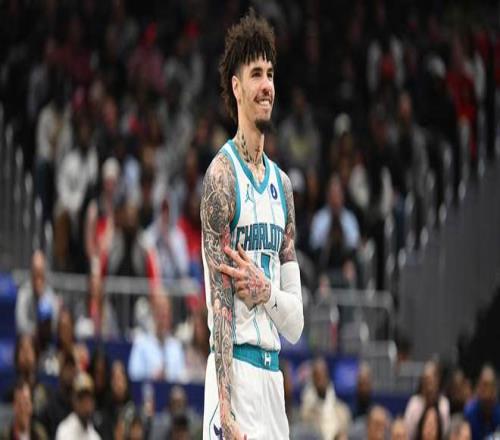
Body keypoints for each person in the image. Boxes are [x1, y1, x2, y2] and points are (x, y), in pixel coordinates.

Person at [201, 9, 304, 439]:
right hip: (235, 377)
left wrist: (265, 292)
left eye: (271, 74)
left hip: (272, 382)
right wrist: (227, 414)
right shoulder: (221, 178)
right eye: (256, 74)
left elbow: (295, 323)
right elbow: (220, 308)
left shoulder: (283, 186)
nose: (267, 86)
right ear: (236, 86)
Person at [128, 292, 186, 382]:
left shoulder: (176, 346)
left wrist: (168, 376)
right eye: (160, 313)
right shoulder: (141, 343)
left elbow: (182, 378)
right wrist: (153, 376)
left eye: (166, 314)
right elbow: (134, 374)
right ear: (154, 313)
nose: (163, 319)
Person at [15, 250, 59, 337]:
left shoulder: (50, 294)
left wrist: (41, 298)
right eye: (35, 270)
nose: (38, 275)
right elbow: (20, 324)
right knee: (25, 341)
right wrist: (35, 331)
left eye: (40, 270)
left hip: (45, 338)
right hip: (28, 338)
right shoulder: (24, 292)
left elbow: (54, 324)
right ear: (31, 271)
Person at [55, 372, 101, 440]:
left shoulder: (94, 436)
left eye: (88, 399)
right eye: (82, 399)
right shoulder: (64, 430)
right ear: (74, 401)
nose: (85, 404)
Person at [464, 365, 500, 440]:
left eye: (487, 385)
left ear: (495, 388)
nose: (483, 389)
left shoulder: (498, 413)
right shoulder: (469, 412)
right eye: (481, 385)